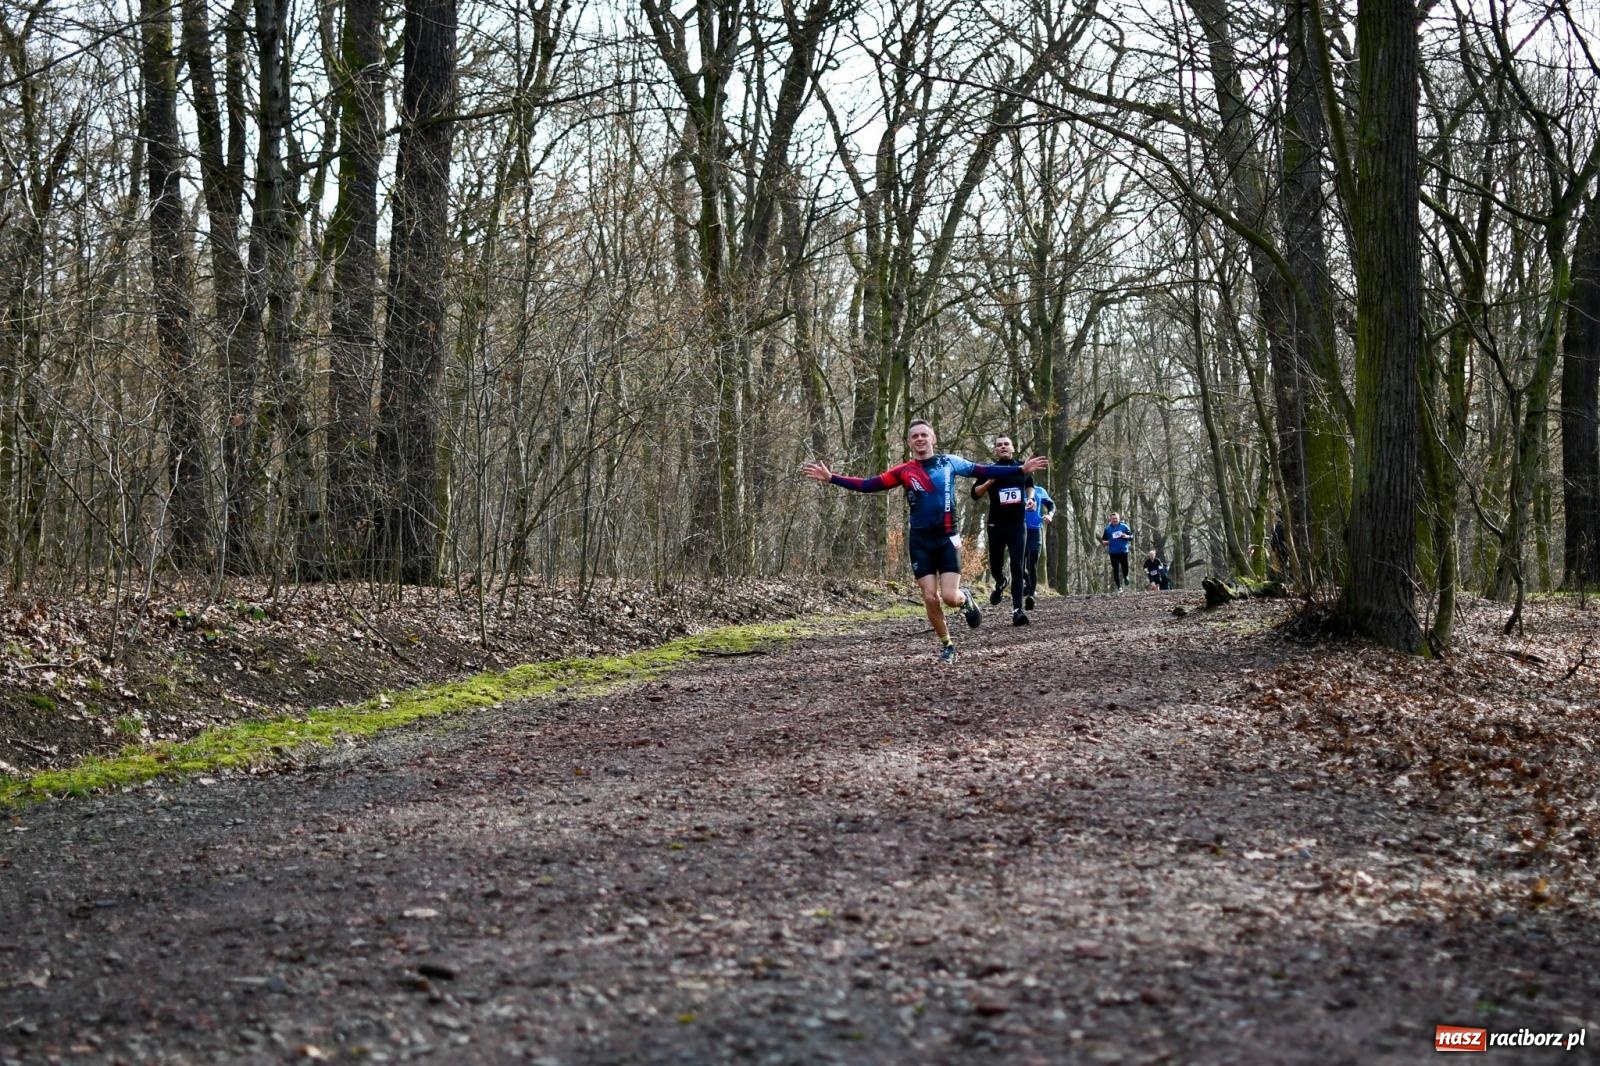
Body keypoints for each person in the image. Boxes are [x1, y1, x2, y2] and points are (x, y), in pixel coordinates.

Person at [804, 420, 1048, 663]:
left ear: (933, 439)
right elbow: (869, 485)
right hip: (920, 541)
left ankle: (966, 599)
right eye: (914, 436)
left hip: (947, 538)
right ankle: (948, 645)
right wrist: (832, 477)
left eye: (924, 435)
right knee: (930, 597)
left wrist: (1020, 470)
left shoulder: (949, 462)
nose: (919, 439)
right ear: (910, 442)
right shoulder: (904, 471)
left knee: (950, 598)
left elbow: (984, 470)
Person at [970, 435, 1031, 625]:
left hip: (1017, 524)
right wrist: (989, 482)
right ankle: (1000, 581)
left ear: (1013, 448)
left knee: (1017, 566)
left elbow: (1030, 486)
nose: (1003, 447)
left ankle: (1017, 611)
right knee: (996, 564)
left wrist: (1031, 499)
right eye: (999, 445)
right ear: (995, 450)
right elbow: (975, 494)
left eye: (1006, 444)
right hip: (996, 525)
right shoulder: (989, 470)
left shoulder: (1022, 466)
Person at [1022, 479, 1055, 609]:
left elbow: (1051, 505)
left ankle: (1031, 595)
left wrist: (1050, 515)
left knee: (1032, 561)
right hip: (1020, 530)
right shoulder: (1016, 490)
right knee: (1020, 563)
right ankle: (1028, 584)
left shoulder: (1040, 491)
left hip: (1036, 529)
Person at [1100, 511, 1134, 590]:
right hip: (1113, 552)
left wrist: (1126, 536)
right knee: (1115, 569)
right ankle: (1119, 587)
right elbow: (1103, 540)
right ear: (1110, 520)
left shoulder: (1124, 527)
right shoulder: (1107, 529)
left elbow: (1132, 536)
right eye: (1113, 519)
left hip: (1123, 551)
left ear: (1119, 519)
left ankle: (1126, 576)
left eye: (1116, 518)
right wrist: (1106, 542)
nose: (1115, 520)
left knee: (1125, 567)